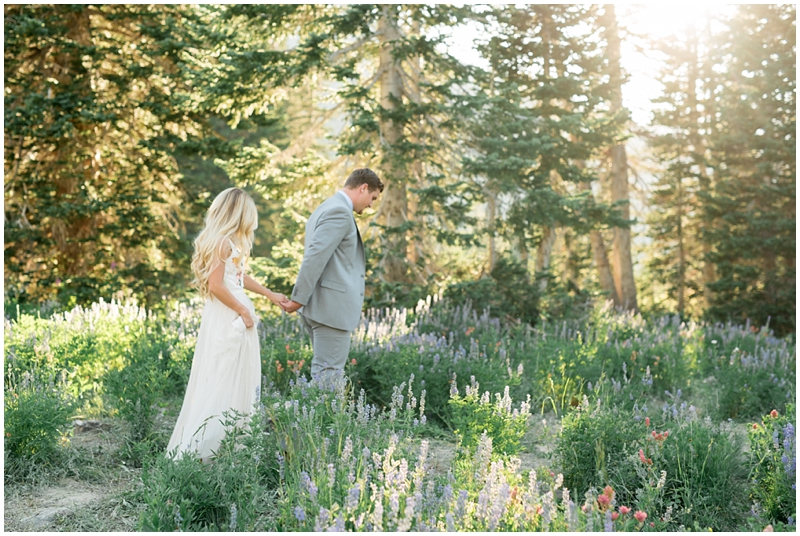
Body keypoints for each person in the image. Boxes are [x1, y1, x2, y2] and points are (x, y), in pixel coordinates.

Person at [167, 187, 287, 461]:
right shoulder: (222, 242)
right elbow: (216, 285)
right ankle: (209, 447)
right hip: (228, 315)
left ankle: (231, 445)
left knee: (237, 374)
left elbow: (238, 278)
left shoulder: (230, 243)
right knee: (223, 373)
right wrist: (242, 310)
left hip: (234, 312)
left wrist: (269, 295)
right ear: (239, 213)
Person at [282, 168, 383, 384]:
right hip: (330, 309)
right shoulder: (339, 212)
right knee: (328, 377)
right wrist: (298, 299)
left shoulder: (325, 207)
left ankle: (295, 415)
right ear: (363, 188)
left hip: (321, 307)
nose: (371, 205)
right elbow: (315, 257)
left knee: (323, 374)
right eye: (372, 198)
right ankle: (298, 416)